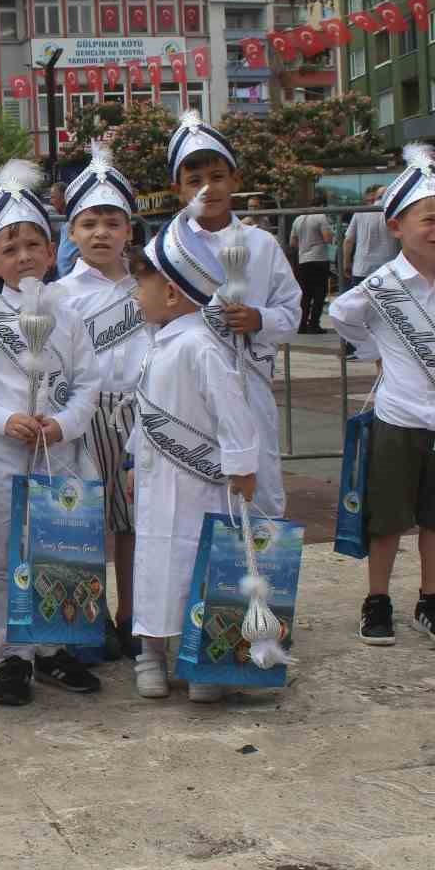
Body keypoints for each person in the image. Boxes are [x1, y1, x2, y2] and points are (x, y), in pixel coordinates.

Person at [329, 147, 435, 648]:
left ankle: (432, 599)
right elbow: (341, 315)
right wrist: (376, 351)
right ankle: (378, 600)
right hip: (397, 417)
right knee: (387, 519)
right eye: (428, 219)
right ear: (397, 225)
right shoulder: (381, 285)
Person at [0, 160, 101, 706]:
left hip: (59, 455)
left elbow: (89, 383)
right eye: (9, 248)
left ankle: (55, 648)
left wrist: (62, 423)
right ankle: (15, 651)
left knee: (59, 549)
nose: (23, 257)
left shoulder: (70, 316)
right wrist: (5, 419)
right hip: (3, 457)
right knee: (5, 556)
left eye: (33, 245)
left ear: (51, 251)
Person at [126, 204, 259, 702]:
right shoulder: (158, 343)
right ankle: (150, 654)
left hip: (202, 484)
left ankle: (201, 657)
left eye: (141, 288)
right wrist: (133, 459)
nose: (136, 298)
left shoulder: (201, 347)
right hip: (158, 480)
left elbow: (234, 412)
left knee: (194, 566)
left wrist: (243, 467)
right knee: (153, 564)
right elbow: (146, 414)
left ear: (171, 292)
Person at [169, 111, 301, 516]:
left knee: (257, 486)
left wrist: (260, 320)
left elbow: (291, 311)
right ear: (178, 190)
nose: (208, 189)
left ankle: (261, 574)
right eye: (194, 181)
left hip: (250, 384)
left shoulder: (262, 244)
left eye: (217, 176)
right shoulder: (170, 247)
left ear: (236, 181)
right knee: (196, 490)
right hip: (188, 386)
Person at [53, 145, 146, 657]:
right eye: (90, 223)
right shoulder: (61, 294)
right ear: (72, 234)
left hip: (136, 418)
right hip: (84, 418)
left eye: (113, 222)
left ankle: (132, 614)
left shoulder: (147, 288)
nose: (101, 233)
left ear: (129, 230)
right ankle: (88, 618)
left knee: (131, 524)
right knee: (83, 521)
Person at [289, 207, 335, 334]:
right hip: (319, 259)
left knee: (305, 295)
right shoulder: (321, 216)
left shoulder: (298, 219)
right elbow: (327, 239)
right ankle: (314, 324)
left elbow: (293, 243)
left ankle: (302, 324)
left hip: (303, 260)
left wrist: (304, 247)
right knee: (319, 294)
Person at [343, 185, 397, 291]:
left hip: (361, 268)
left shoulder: (360, 212)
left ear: (376, 197)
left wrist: (346, 263)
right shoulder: (395, 214)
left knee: (360, 306)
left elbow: (348, 240)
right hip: (388, 269)